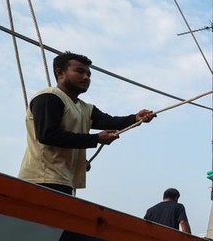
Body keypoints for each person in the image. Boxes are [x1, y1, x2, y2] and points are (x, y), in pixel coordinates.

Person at [18, 52, 155, 195]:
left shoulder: (85, 108)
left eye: (89, 74)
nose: (86, 77)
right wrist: (95, 139)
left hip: (65, 181)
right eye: (80, 71)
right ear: (60, 73)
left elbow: (110, 121)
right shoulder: (49, 97)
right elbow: (48, 135)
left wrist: (136, 118)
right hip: (40, 179)